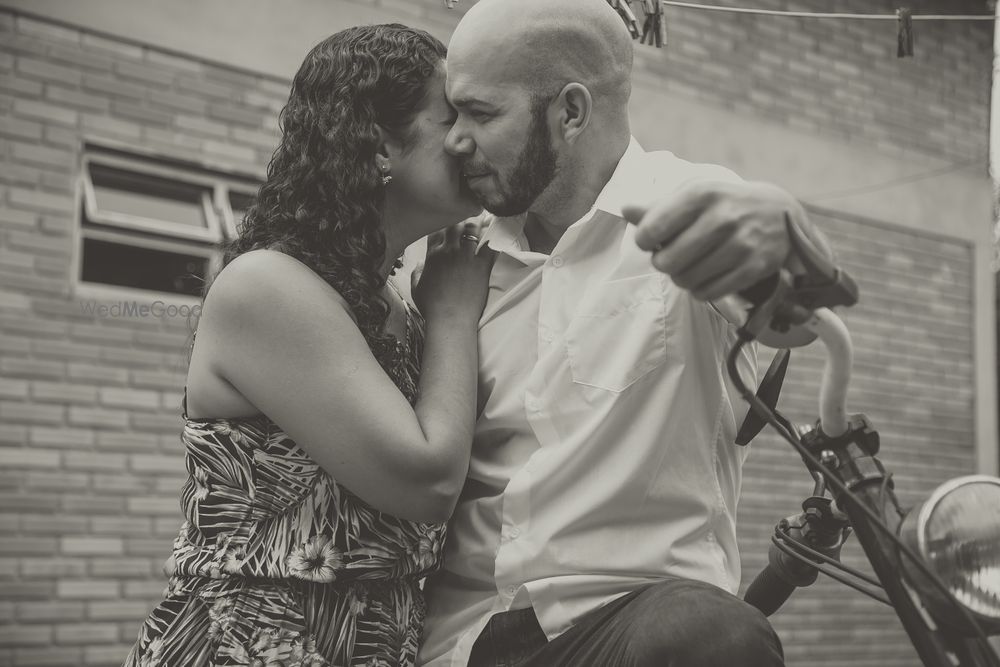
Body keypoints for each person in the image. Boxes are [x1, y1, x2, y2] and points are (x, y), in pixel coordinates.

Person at [417, 0, 834, 665]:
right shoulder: (451, 260)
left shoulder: (685, 205)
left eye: (482, 113)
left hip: (634, 625)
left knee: (718, 636)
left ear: (571, 113)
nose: (454, 140)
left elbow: (781, 276)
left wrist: (782, 232)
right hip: (458, 640)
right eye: (453, 111)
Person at [123, 24, 493, 667]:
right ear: (381, 147)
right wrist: (457, 316)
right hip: (255, 644)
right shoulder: (266, 287)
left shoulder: (395, 304)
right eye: (450, 117)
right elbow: (427, 481)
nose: (468, 139)